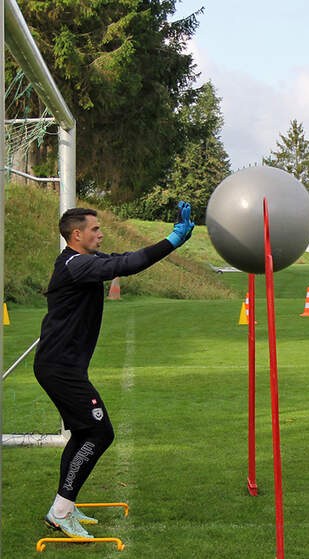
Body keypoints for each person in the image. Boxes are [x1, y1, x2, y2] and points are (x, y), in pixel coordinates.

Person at [34, 202, 194, 539]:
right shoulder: (75, 264)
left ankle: (65, 506)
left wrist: (169, 242)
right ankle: (60, 511)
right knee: (99, 432)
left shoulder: (83, 262)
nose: (101, 233)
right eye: (95, 229)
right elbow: (128, 264)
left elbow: (125, 258)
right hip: (59, 368)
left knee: (83, 433)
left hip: (63, 367)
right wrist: (173, 239)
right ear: (76, 235)